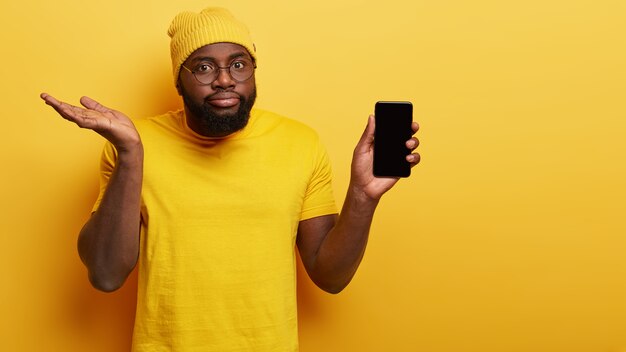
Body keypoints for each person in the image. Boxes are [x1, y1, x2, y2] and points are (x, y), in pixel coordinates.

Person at [40, 7, 420, 352]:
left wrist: (363, 198)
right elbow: (105, 274)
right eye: (204, 67)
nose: (224, 79)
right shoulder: (132, 145)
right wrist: (130, 157)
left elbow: (330, 276)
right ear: (179, 80)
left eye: (239, 65)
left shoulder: (300, 143)